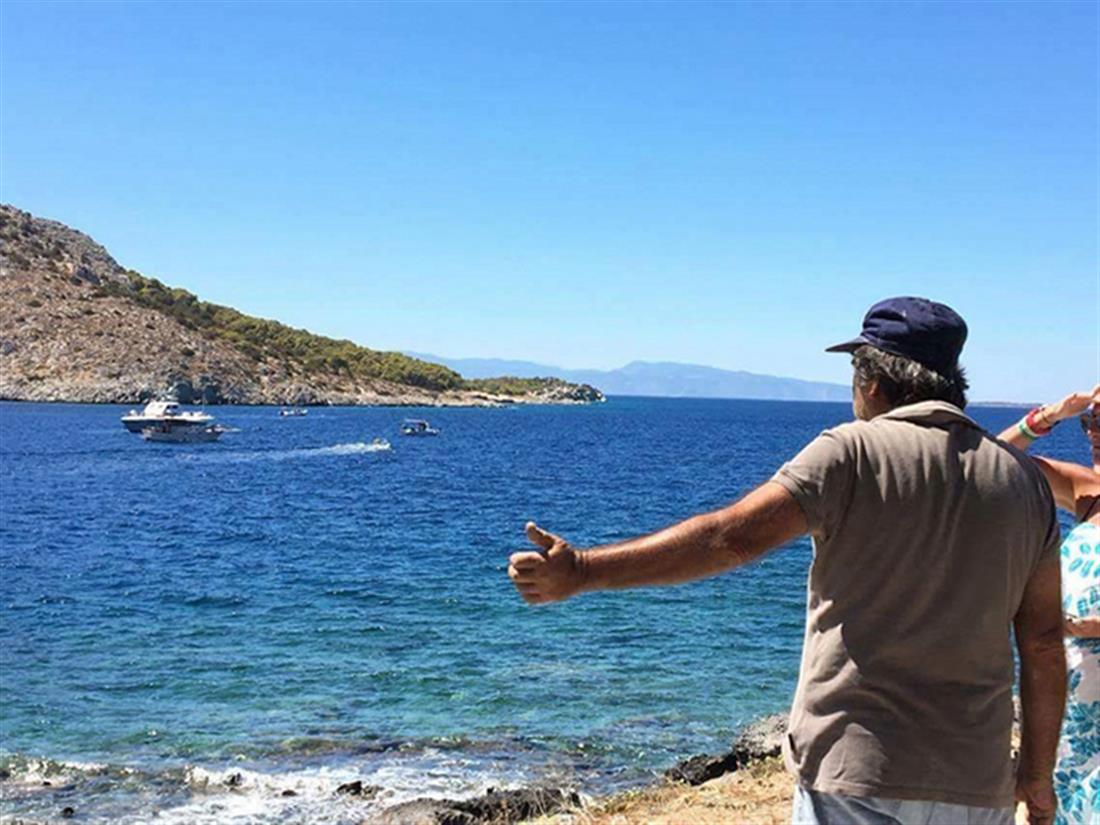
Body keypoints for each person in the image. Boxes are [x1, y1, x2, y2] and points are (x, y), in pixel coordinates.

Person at [508, 297, 1066, 825]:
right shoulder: (1023, 481)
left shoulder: (851, 452)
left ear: (872, 383)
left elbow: (730, 538)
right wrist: (1038, 775)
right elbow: (1042, 643)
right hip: (975, 780)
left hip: (855, 770)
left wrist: (584, 571)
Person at [997, 389, 1100, 825]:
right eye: (1090, 422)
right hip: (1068, 696)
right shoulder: (1086, 490)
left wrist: (1084, 627)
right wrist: (1051, 415)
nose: (1094, 434)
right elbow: (994, 460)